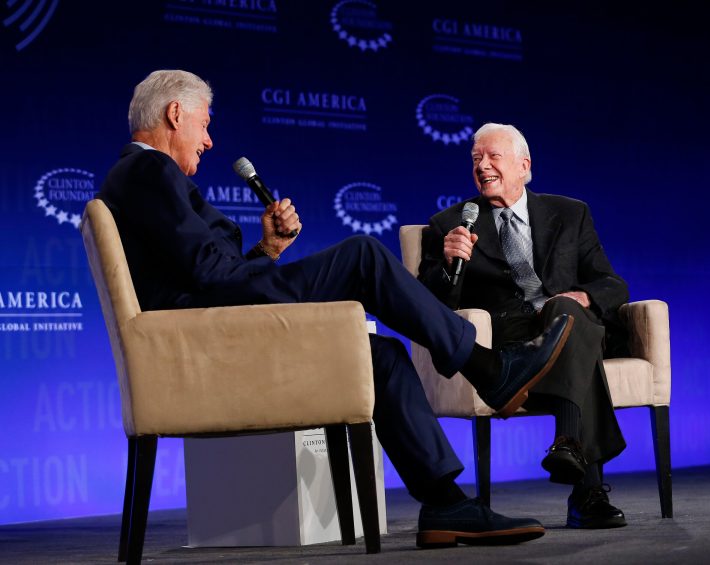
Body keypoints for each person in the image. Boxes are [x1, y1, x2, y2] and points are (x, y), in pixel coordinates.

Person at [96, 70, 574, 549]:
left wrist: (268, 249)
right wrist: (263, 269)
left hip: (215, 326)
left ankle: (445, 501)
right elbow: (209, 277)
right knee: (363, 256)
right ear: (174, 114)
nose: (209, 139)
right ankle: (487, 367)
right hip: (210, 337)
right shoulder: (149, 170)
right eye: (203, 124)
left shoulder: (139, 177)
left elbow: (197, 272)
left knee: (381, 357)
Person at [418, 122, 630, 529]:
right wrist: (447, 266)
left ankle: (570, 444)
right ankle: (585, 492)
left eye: (493, 157)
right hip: (511, 340)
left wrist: (581, 297)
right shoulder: (450, 225)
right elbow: (432, 308)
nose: (482, 166)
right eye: (476, 159)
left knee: (565, 314)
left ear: (523, 165)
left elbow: (610, 282)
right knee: (571, 332)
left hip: (570, 321)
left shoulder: (570, 213)